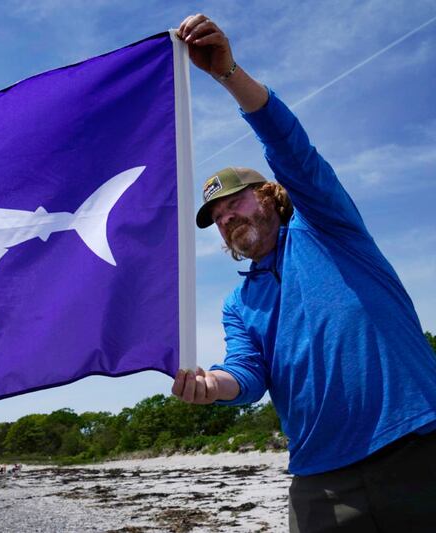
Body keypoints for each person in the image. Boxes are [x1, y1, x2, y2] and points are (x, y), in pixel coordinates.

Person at [171, 13, 436, 532]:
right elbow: (247, 376)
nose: (226, 218)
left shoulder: (329, 227)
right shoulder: (237, 303)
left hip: (418, 450)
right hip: (321, 482)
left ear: (268, 195)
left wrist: (228, 74)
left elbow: (291, 146)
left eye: (235, 202)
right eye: (218, 218)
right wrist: (213, 387)